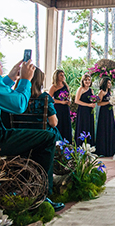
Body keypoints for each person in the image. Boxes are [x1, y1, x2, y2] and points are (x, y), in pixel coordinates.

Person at [0, 60, 64, 211]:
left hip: (11, 131)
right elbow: (19, 105)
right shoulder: (44, 98)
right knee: (48, 137)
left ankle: (25, 185)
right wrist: (25, 80)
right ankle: (40, 196)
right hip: (2, 139)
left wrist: (10, 78)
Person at [14, 67, 62, 141]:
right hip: (41, 137)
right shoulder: (44, 98)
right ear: (39, 82)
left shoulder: (16, 98)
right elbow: (53, 123)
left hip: (20, 137)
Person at [96, 78, 115, 157]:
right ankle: (103, 150)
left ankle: (111, 149)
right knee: (103, 129)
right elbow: (99, 103)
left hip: (110, 112)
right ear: (104, 83)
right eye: (108, 83)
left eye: (110, 83)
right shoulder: (101, 92)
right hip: (104, 113)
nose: (109, 84)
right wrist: (108, 102)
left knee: (110, 128)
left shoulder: (110, 92)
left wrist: (114, 102)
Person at [49, 69, 72, 143]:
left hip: (66, 108)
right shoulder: (54, 87)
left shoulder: (65, 85)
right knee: (60, 124)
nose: (63, 76)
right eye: (61, 75)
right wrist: (61, 102)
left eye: (63, 75)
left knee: (66, 124)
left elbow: (69, 96)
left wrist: (69, 101)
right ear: (57, 76)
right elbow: (50, 99)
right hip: (58, 108)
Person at [74, 74, 96, 146]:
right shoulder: (80, 89)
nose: (87, 81)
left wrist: (93, 104)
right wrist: (88, 105)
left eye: (89, 80)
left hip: (89, 112)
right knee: (82, 126)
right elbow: (76, 101)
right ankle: (80, 145)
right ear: (83, 81)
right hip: (82, 111)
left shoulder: (91, 90)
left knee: (89, 126)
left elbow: (92, 100)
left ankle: (89, 145)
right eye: (85, 80)